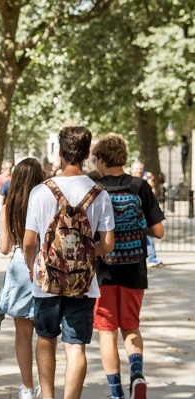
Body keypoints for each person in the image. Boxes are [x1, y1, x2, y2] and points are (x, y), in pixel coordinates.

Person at [23, 126, 115, 399]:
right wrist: (83, 254)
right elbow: (107, 244)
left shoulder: (41, 191)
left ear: (60, 153)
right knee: (76, 346)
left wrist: (33, 266)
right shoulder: (100, 194)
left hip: (47, 281)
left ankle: (47, 396)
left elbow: (29, 242)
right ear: (87, 153)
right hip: (83, 283)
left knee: (45, 338)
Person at [92, 134, 165, 399]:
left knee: (107, 330)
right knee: (131, 326)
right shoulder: (139, 185)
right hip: (135, 268)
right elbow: (159, 230)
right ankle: (137, 374)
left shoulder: (95, 187)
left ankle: (116, 393)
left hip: (104, 271)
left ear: (101, 159)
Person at [0, 158, 44, 399]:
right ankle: (45, 387)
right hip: (43, 266)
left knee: (22, 335)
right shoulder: (46, 201)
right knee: (45, 334)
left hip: (18, 267)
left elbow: (4, 247)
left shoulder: (9, 206)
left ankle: (27, 387)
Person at [130, 161, 163, 268]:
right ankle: (151, 257)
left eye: (140, 170)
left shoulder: (144, 184)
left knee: (149, 237)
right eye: (137, 169)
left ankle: (151, 257)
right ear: (132, 170)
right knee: (147, 238)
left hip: (144, 216)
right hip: (135, 217)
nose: (139, 171)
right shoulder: (129, 183)